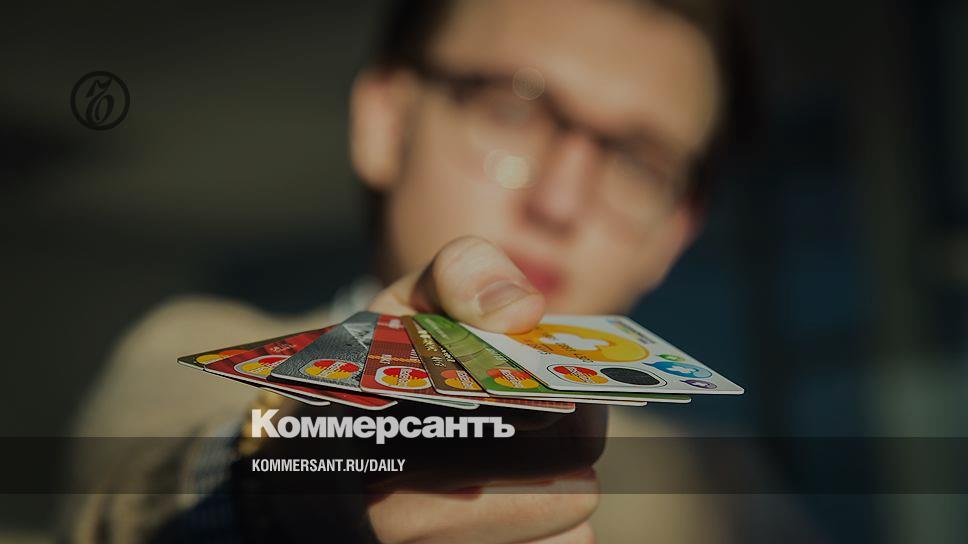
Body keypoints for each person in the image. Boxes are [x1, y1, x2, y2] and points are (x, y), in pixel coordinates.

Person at [66, 0, 745, 541]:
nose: (561, 202)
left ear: (674, 234)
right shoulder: (190, 350)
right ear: (385, 121)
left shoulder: (716, 492)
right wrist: (276, 477)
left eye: (638, 164)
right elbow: (139, 492)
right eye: (511, 110)